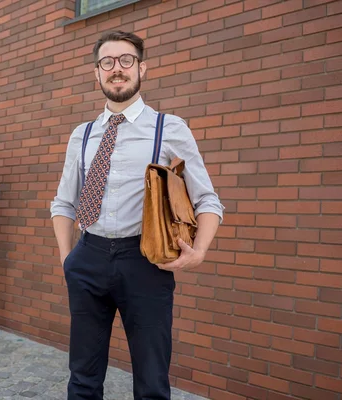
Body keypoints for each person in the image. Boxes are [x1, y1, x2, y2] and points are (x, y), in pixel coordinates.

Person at [50, 31, 224, 400]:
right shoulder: (81, 135)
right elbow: (64, 203)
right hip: (88, 257)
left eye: (126, 60)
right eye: (107, 62)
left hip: (146, 263)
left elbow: (208, 199)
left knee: (151, 383)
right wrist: (69, 258)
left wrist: (201, 250)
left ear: (142, 68)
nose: (117, 69)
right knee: (82, 379)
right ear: (96, 74)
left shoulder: (169, 127)